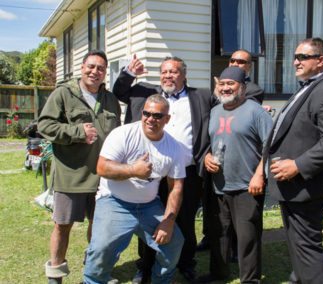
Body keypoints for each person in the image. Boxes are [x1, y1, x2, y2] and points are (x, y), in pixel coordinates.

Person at [112, 55, 215, 282]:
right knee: (148, 219)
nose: (168, 76)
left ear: (184, 75)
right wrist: (129, 72)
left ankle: (186, 263)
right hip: (151, 172)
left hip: (187, 172)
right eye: (165, 72)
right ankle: (145, 266)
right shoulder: (145, 93)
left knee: (185, 220)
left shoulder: (202, 96)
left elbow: (227, 109)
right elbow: (118, 92)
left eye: (174, 71)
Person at [262, 37, 323, 283]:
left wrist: (297, 165)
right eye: (295, 57)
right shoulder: (308, 87)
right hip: (294, 186)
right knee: (298, 244)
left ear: (321, 60)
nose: (295, 62)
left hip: (308, 186)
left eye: (302, 57)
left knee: (307, 247)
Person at [83, 95, 186, 284]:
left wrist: (168, 221)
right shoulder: (123, 134)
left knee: (174, 243)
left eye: (157, 115)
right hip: (114, 201)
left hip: (148, 206)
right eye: (147, 113)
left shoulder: (174, 147)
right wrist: (133, 170)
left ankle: (161, 280)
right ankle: (93, 280)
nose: (150, 119)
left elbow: (176, 187)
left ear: (167, 119)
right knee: (102, 248)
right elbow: (102, 167)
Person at [38, 50, 121, 284]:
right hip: (71, 175)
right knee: (63, 226)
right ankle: (55, 275)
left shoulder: (111, 99)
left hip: (103, 176)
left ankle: (94, 269)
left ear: (105, 72)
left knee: (100, 226)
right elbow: (45, 125)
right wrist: (76, 132)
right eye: (91, 66)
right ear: (82, 67)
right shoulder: (63, 94)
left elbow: (117, 135)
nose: (95, 72)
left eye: (101, 68)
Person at [197, 66, 273, 283]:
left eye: (231, 84)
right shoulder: (215, 111)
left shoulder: (255, 111)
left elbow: (271, 146)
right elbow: (209, 143)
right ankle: (218, 274)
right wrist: (208, 158)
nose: (226, 88)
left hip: (247, 186)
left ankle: (250, 279)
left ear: (243, 87)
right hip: (218, 185)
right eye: (222, 84)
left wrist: (260, 174)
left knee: (247, 236)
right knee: (218, 233)